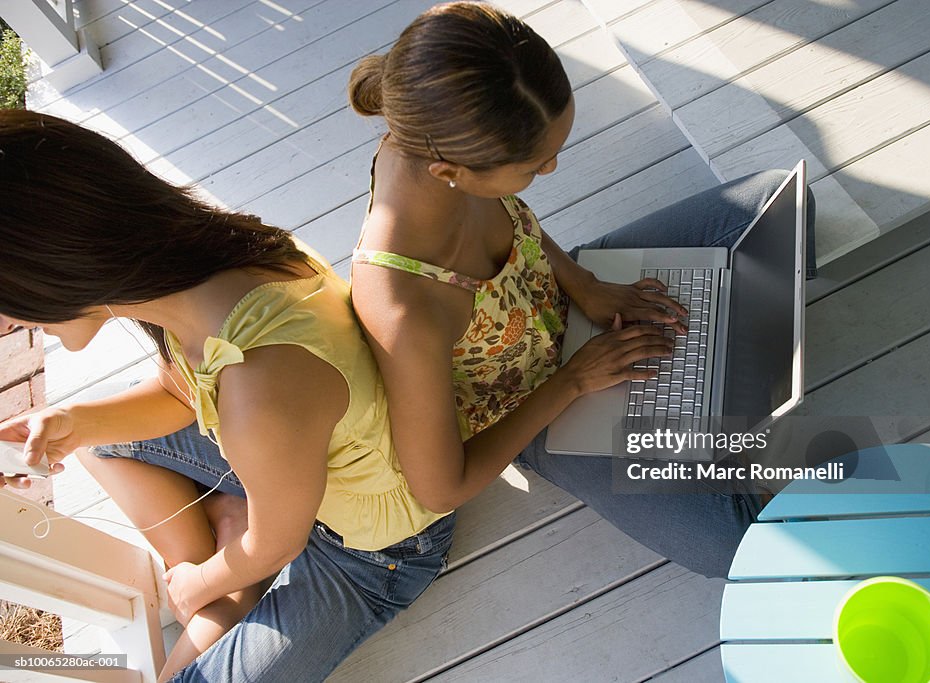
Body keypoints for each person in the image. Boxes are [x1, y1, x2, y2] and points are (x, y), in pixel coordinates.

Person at [347, 1, 816, 578]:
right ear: (454, 173)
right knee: (737, 544)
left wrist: (587, 284)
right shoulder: (403, 305)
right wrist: (575, 379)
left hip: (572, 301)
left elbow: (522, 228)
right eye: (535, 165)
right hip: (536, 403)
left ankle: (712, 377)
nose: (551, 170)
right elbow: (442, 486)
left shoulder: (439, 142)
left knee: (779, 200)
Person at [0, 110, 454, 682]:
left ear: (60, 270)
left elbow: (279, 543)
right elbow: (182, 393)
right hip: (292, 466)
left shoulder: (258, 382)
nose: (6, 323)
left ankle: (225, 578)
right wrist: (72, 423)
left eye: (7, 301)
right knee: (103, 443)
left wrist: (201, 580)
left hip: (371, 548)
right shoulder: (201, 266)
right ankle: (229, 552)